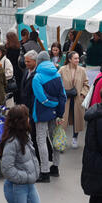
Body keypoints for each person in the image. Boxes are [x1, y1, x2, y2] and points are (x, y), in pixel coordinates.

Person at [31, 51, 67, 182]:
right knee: (55, 138)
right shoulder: (57, 75)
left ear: (39, 62)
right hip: (55, 112)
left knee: (41, 140)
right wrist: (59, 112)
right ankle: (55, 167)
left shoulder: (37, 77)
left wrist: (51, 103)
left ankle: (44, 171)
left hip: (41, 112)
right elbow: (63, 96)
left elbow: (41, 98)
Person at [58, 51, 89, 149]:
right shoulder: (62, 70)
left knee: (77, 120)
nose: (77, 60)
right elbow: (57, 82)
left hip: (77, 99)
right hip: (65, 99)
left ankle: (75, 138)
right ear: (70, 59)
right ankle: (61, 140)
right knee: (63, 120)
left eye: (78, 58)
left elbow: (86, 84)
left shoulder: (82, 70)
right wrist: (61, 93)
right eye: (75, 58)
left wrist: (83, 94)